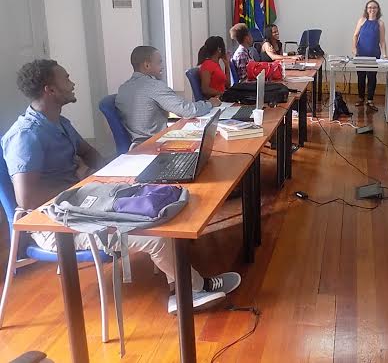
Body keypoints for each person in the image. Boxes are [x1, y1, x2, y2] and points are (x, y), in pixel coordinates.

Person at [1, 60, 240, 314]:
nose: (72, 83)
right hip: (55, 223)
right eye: (66, 79)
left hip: (84, 204)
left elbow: (89, 153)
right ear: (50, 90)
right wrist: (83, 185)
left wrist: (104, 178)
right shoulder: (26, 135)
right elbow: (27, 199)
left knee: (160, 205)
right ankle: (189, 292)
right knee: (156, 236)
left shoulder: (59, 122)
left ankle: (180, 286)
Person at [116, 46, 220, 144]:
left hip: (137, 145)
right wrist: (209, 103)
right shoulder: (154, 86)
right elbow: (188, 110)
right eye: (159, 62)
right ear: (147, 65)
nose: (162, 67)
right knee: (212, 141)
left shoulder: (122, 88)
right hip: (156, 144)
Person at [352, 0, 387, 111]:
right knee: (361, 76)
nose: (372, 9)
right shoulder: (362, 20)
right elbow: (355, 35)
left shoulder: (380, 23)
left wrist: (385, 54)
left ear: (378, 9)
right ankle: (361, 98)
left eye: (374, 7)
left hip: (374, 54)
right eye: (370, 7)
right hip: (361, 53)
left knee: (372, 77)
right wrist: (354, 48)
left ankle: (370, 100)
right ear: (366, 9)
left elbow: (382, 41)